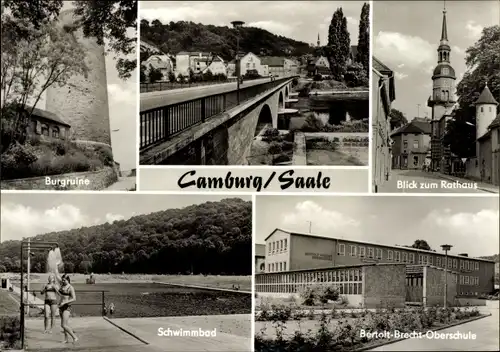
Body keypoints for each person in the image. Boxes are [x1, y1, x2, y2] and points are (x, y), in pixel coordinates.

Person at [58, 274, 78, 344]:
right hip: (61, 307)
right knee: (64, 325)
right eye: (62, 280)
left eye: (64, 280)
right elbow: (57, 274)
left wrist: (65, 302)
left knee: (63, 325)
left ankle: (75, 337)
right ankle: (66, 339)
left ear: (68, 280)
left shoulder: (70, 287)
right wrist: (56, 266)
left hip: (67, 307)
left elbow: (74, 298)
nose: (63, 281)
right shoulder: (62, 285)